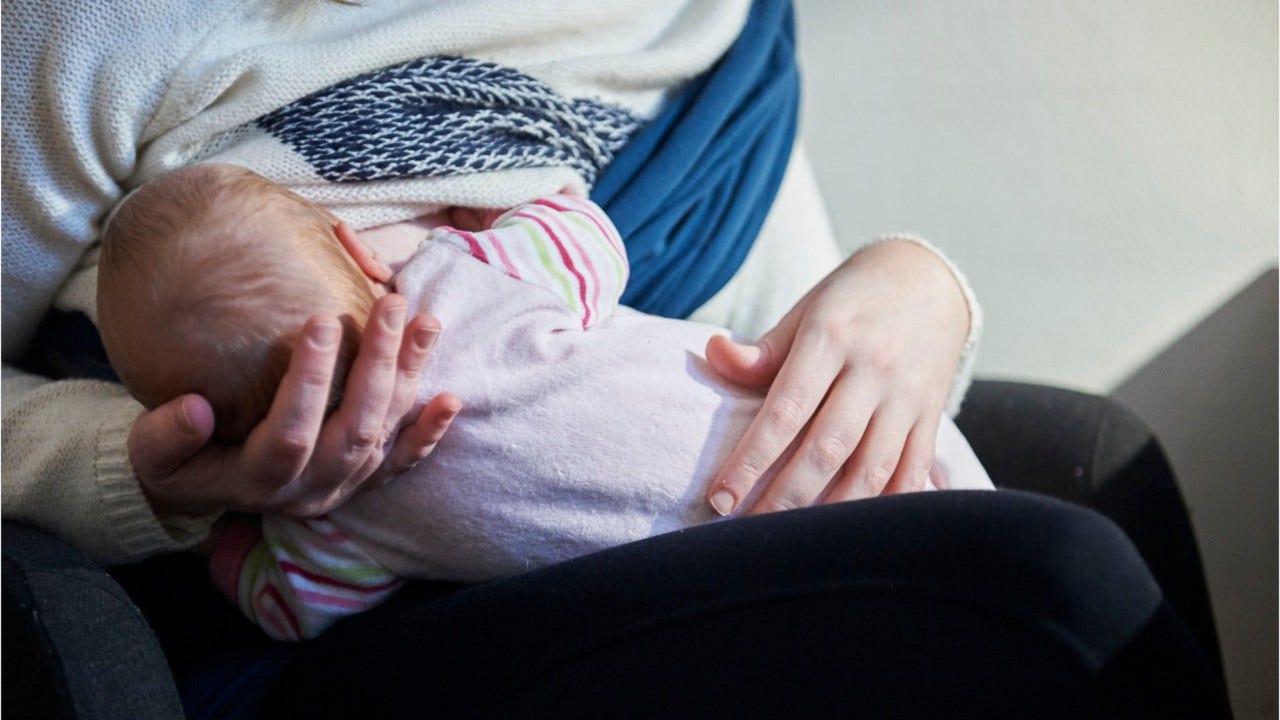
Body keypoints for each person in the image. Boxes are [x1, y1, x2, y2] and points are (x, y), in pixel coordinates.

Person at [2, 1, 1230, 717]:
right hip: (391, 615)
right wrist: (161, 470)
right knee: (1054, 584)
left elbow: (758, 324)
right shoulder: (86, 34)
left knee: (1100, 465)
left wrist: (918, 291)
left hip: (692, 471)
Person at [96, 162, 995, 639]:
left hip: (756, 610)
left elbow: (287, 607)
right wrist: (442, 227)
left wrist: (231, 539)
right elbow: (587, 231)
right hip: (873, 453)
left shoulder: (334, 524)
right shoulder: (472, 276)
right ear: (361, 248)